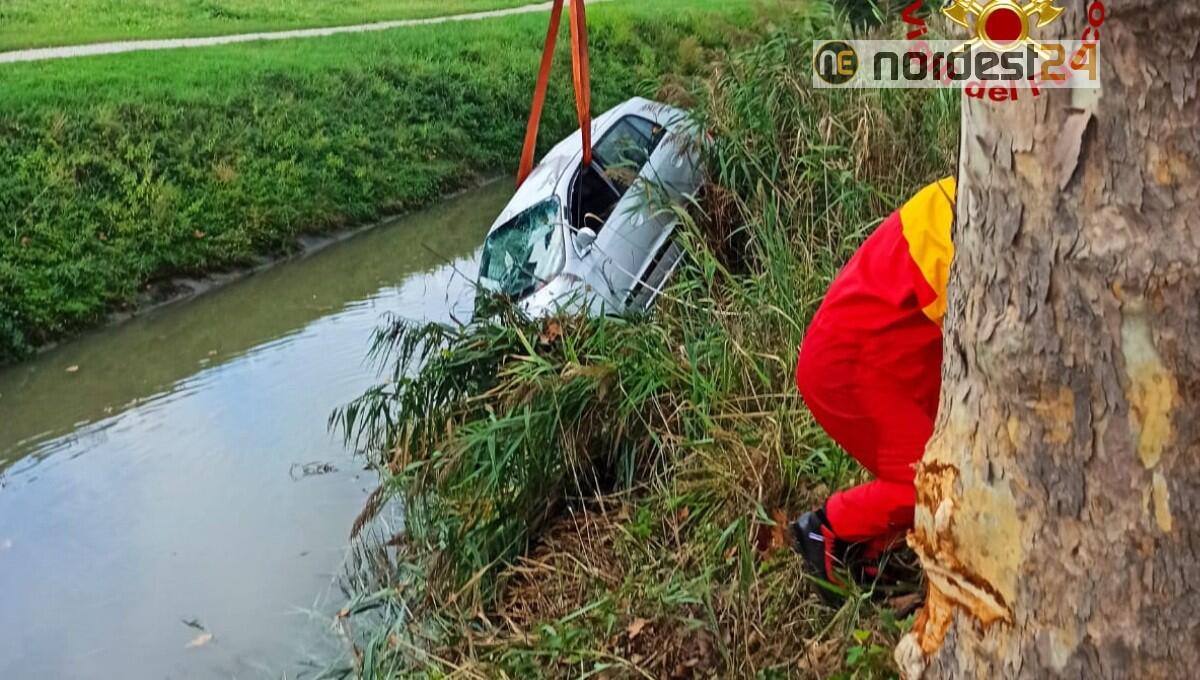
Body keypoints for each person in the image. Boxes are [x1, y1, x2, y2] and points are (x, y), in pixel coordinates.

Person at [790, 176, 956, 591]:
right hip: (850, 365)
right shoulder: (962, 221)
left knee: (948, 472)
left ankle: (865, 550)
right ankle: (826, 532)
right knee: (944, 482)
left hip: (877, 358)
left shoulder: (962, 195)